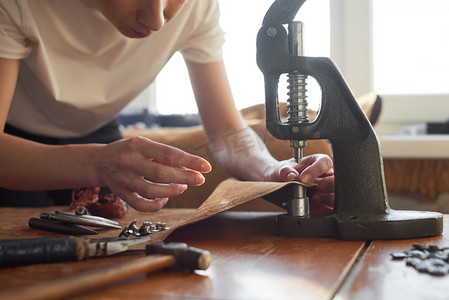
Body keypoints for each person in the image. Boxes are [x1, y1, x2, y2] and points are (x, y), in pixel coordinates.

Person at [0, 0, 334, 212]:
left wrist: (275, 170)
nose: (158, 19)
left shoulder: (197, 7)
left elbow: (228, 133)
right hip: (14, 143)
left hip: (100, 135)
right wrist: (99, 164)